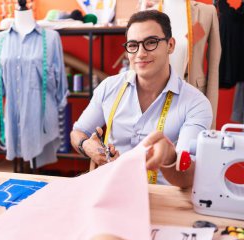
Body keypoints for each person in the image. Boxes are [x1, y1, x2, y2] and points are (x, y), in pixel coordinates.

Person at [70, 10, 212, 188]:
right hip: (111, 191)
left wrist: (168, 156)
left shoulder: (195, 104)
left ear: (170, 45)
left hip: (162, 199)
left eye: (151, 42)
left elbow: (187, 176)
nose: (141, 53)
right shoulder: (109, 87)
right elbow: (77, 132)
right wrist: (88, 146)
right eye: (133, 45)